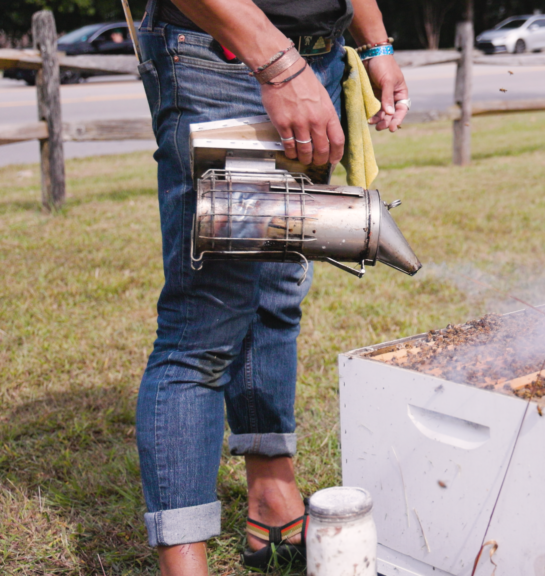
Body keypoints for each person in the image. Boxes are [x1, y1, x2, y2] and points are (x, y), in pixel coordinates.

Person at [132, 0, 409, 573]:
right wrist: (280, 68)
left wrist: (375, 43)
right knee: (202, 327)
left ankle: (272, 499)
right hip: (221, 58)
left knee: (276, 293)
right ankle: (184, 561)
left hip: (320, 62)